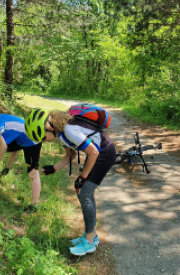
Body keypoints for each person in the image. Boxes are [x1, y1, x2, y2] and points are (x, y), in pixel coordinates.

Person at [24, 107, 116, 257]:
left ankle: (90, 240)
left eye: (42, 137)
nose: (43, 142)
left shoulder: (69, 131)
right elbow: (70, 155)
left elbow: (93, 152)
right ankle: (89, 234)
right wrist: (54, 168)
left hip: (105, 153)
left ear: (48, 127)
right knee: (84, 191)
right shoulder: (60, 133)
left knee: (84, 192)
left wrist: (83, 176)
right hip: (100, 152)